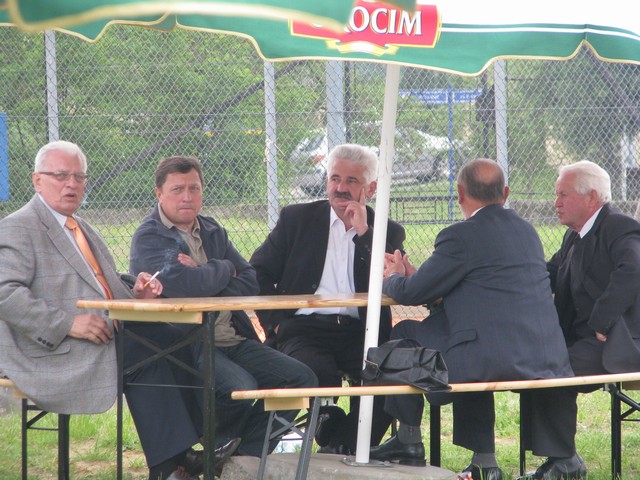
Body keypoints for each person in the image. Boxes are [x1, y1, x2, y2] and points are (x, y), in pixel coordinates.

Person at [369, 158, 573, 480]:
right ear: (505, 193)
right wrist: (418, 277)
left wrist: (393, 277)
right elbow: (477, 287)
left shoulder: (459, 236)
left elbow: (411, 293)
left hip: (485, 355)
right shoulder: (527, 231)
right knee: (464, 340)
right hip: (541, 353)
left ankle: (411, 439)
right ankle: (484, 461)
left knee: (405, 333)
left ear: (460, 193)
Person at [128, 155, 317, 478]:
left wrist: (206, 274)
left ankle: (236, 456)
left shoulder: (213, 230)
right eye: (177, 190)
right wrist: (225, 268)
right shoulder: (150, 236)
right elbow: (184, 287)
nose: (187, 197)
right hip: (188, 343)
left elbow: (250, 280)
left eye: (194, 188)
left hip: (233, 337)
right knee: (239, 387)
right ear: (159, 193)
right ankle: (219, 448)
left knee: (302, 381)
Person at [250, 143, 406, 454]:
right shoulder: (297, 219)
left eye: (352, 181)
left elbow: (390, 280)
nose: (340, 188)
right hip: (304, 330)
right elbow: (257, 271)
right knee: (315, 373)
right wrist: (276, 324)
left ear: (371, 188)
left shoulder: (386, 230)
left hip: (362, 330)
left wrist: (364, 234)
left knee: (392, 379)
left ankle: (341, 445)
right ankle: (323, 430)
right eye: (335, 178)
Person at [0, 140, 161, 414]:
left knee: (181, 340)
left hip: (110, 335)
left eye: (79, 177)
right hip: (58, 350)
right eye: (61, 175)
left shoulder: (80, 227)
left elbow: (100, 281)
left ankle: (191, 439)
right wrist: (67, 324)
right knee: (163, 350)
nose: (71, 184)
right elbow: (5, 294)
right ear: (37, 181)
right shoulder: (18, 226)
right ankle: (187, 442)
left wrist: (135, 292)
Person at [518, 160, 640, 480]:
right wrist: (506, 283)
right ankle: (560, 458)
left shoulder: (618, 226)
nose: (555, 203)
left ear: (592, 197)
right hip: (582, 340)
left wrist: (601, 322)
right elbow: (547, 273)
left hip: (618, 341)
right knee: (533, 363)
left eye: (563, 194)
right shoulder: (573, 237)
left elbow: (633, 270)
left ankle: (565, 462)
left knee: (551, 370)